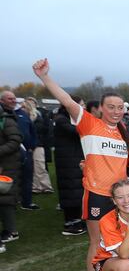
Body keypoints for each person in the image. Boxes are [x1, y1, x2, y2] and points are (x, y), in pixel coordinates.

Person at [33, 58, 129, 271]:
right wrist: (44, 77)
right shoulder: (89, 123)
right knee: (97, 242)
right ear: (101, 108)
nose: (116, 111)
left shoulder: (122, 132)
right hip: (97, 194)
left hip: (121, 199)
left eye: (120, 107)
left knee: (117, 240)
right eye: (111, 107)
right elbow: (67, 101)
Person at [53, 95, 86, 235]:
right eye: (81, 104)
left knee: (75, 190)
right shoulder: (62, 120)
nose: (83, 108)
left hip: (72, 159)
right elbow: (78, 131)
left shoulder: (66, 119)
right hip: (68, 161)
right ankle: (72, 223)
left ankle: (75, 220)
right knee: (71, 191)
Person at [8, 93, 38, 210]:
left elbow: (32, 130)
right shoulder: (5, 114)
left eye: (14, 99)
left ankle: (27, 202)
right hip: (11, 152)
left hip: (27, 152)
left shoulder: (23, 114)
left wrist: (32, 146)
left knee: (27, 177)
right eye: (10, 99)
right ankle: (11, 203)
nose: (14, 101)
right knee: (11, 178)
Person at [0, 95, 22, 252]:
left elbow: (15, 141)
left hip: (6, 165)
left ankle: (11, 231)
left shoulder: (6, 121)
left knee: (6, 198)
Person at [24, 97, 54, 194]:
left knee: (40, 166)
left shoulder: (39, 115)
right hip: (28, 145)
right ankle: (36, 187)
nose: (30, 104)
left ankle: (46, 186)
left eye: (32, 102)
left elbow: (44, 130)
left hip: (39, 144)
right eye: (28, 102)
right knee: (31, 167)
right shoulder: (25, 116)